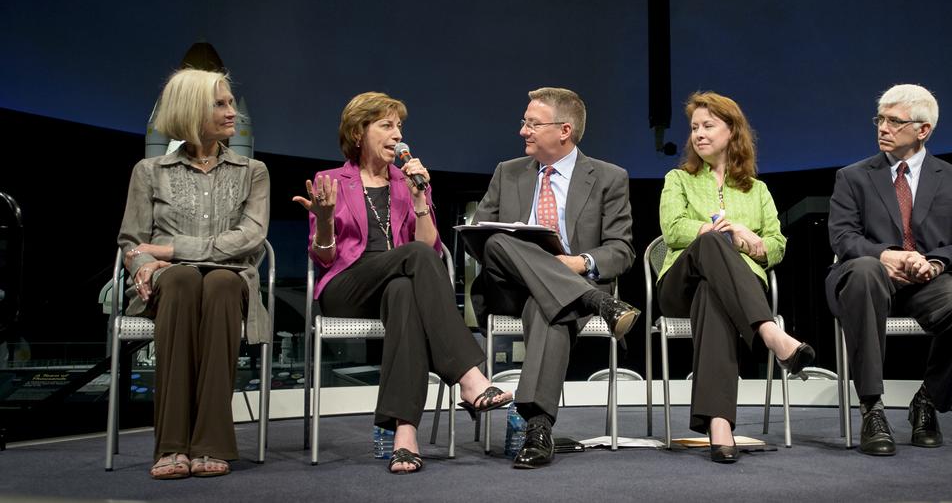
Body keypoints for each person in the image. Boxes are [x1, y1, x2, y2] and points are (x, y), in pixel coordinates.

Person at [296, 91, 512, 474]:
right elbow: (324, 257)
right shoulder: (330, 181)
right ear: (359, 133)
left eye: (400, 127)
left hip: (396, 285)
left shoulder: (407, 181)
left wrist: (419, 199)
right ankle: (468, 376)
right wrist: (326, 219)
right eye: (387, 125)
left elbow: (429, 245)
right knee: (414, 259)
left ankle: (405, 436)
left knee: (404, 292)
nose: (397, 135)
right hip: (347, 287)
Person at [468, 87, 637, 469]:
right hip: (509, 287)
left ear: (564, 130)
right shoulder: (507, 172)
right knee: (496, 239)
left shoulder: (609, 178)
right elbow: (479, 240)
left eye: (532, 123)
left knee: (548, 308)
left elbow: (621, 249)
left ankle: (537, 427)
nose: (522, 130)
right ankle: (597, 302)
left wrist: (579, 263)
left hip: (562, 288)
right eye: (524, 122)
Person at [117, 68, 270, 480]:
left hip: (229, 279)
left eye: (231, 102)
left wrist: (170, 249)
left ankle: (210, 443)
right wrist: (143, 263)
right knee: (184, 280)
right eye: (220, 104)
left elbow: (250, 238)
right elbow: (132, 241)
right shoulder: (149, 172)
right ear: (191, 110)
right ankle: (171, 446)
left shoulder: (252, 172)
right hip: (170, 285)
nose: (231, 111)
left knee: (220, 282)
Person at [826, 84, 952, 456]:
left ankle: (928, 400)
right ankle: (872, 408)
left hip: (929, 280)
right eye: (880, 119)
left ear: (923, 130)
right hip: (869, 277)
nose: (883, 127)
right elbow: (842, 237)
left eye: (894, 121)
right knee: (866, 270)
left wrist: (932, 263)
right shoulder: (852, 176)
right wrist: (888, 256)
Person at [657, 92, 814, 463]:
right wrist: (725, 234)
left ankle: (720, 425)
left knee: (714, 297)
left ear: (733, 131)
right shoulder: (678, 179)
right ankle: (769, 332)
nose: (699, 134)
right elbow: (673, 229)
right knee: (711, 242)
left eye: (708, 126)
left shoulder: (757, 191)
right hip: (680, 284)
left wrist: (751, 241)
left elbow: (777, 247)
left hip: (732, 290)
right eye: (694, 127)